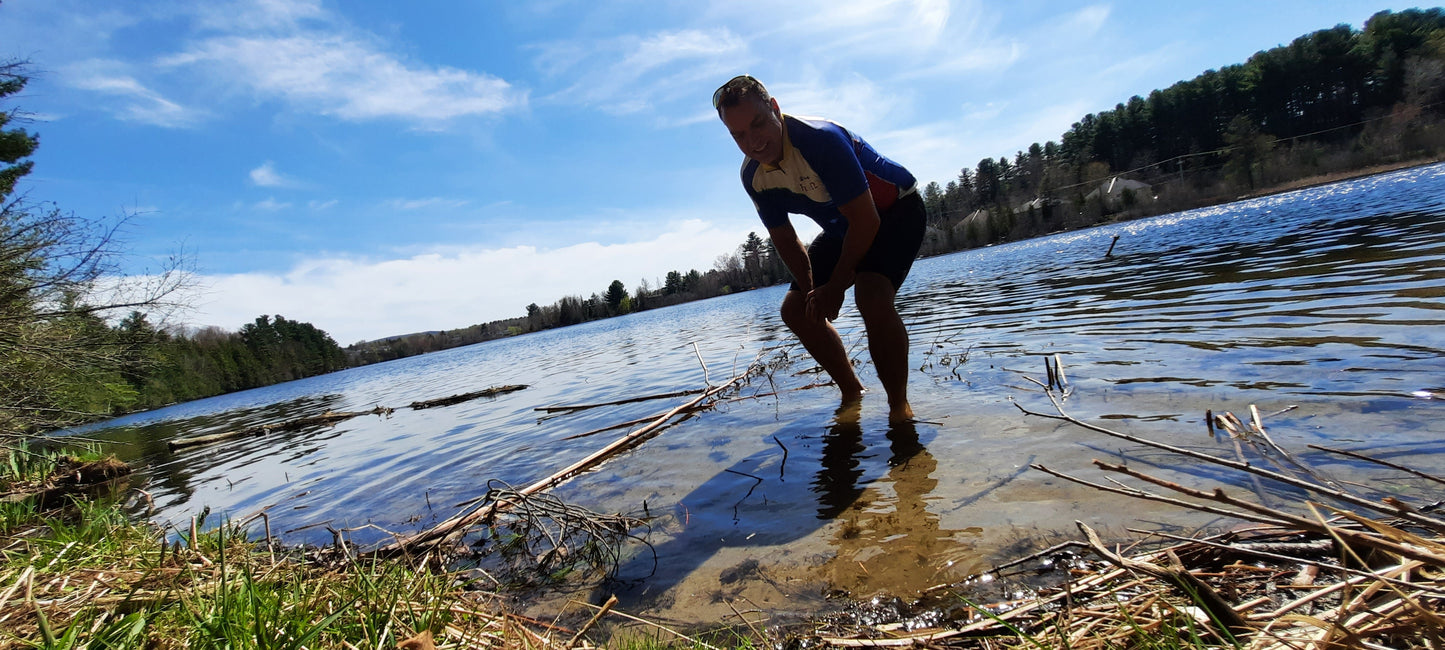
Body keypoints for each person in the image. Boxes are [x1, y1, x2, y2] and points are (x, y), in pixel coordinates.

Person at [713, 75, 925, 422]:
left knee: (871, 297)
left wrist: (837, 286)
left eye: (758, 124)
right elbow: (784, 237)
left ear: (775, 108)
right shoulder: (753, 176)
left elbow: (867, 221)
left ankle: (898, 409)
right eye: (738, 135)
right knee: (797, 310)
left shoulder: (819, 140)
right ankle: (851, 392)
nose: (753, 142)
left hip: (895, 212)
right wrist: (815, 292)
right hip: (845, 226)